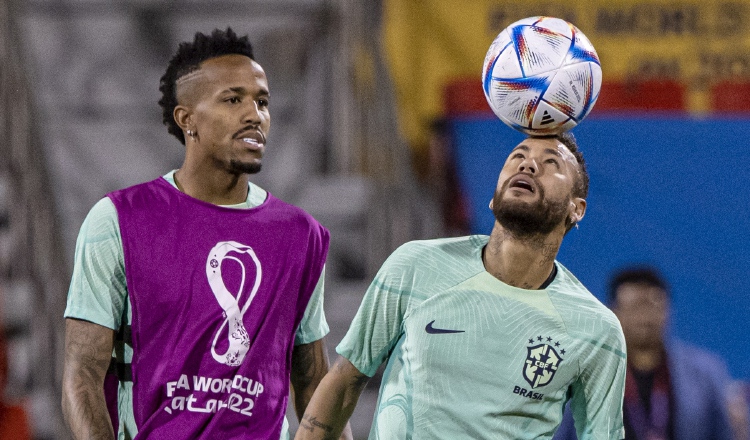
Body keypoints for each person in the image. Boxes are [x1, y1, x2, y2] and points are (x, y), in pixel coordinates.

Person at [61, 28, 351, 440]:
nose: (255, 114)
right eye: (233, 100)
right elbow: (81, 375)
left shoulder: (301, 236)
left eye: (262, 101)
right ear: (187, 119)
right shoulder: (117, 220)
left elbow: (313, 383)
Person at [295, 133, 627, 439]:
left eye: (551, 163)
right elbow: (344, 381)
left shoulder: (596, 330)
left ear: (576, 208)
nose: (528, 164)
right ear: (493, 199)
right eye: (518, 156)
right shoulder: (415, 265)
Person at [553, 266, 735, 440]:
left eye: (653, 305)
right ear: (612, 312)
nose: (645, 316)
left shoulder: (704, 373)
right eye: (634, 307)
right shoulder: (582, 372)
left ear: (668, 311)